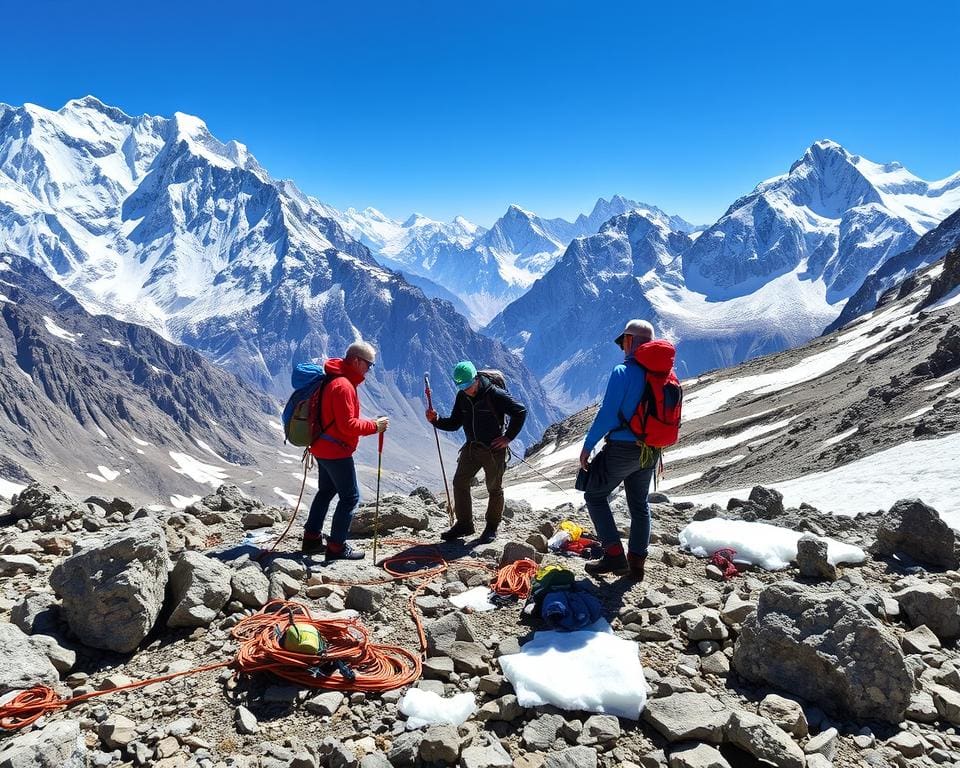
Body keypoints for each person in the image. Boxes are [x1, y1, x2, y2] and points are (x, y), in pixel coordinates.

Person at [579, 319, 659, 579]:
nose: (622, 346)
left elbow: (608, 414)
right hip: (651, 449)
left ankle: (614, 556)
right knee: (639, 504)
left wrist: (588, 445)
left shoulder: (623, 372)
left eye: (624, 340)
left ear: (630, 341)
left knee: (595, 495)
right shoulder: (661, 374)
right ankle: (637, 564)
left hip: (623, 448)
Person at [301, 341, 388, 561]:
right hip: (336, 451)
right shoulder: (343, 386)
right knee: (350, 497)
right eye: (368, 364)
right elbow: (347, 425)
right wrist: (374, 426)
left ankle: (311, 539)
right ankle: (336, 547)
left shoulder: (331, 378)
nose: (369, 369)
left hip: (321, 445)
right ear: (356, 361)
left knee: (326, 492)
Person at [426, 361, 527, 544]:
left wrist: (508, 438)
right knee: (459, 482)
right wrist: (437, 420)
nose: (467, 390)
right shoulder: (462, 396)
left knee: (494, 489)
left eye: (468, 385)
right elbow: (455, 423)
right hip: (472, 447)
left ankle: (491, 528)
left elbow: (520, 411)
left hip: (494, 450)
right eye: (462, 387)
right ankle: (464, 525)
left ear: (476, 378)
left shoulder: (495, 395)